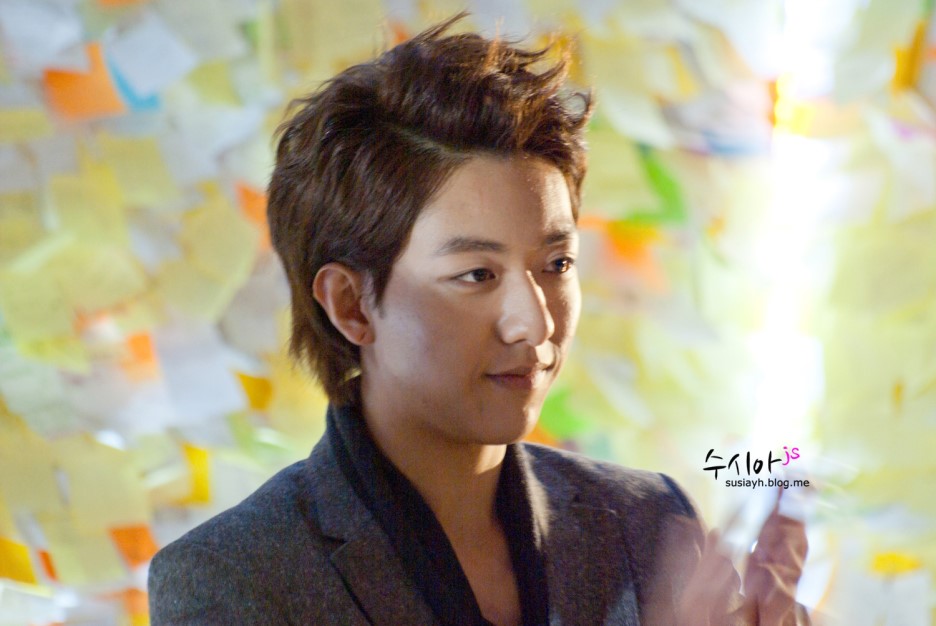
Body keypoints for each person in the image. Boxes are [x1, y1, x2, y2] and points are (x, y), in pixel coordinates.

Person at [148, 14, 809, 625]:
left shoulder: (649, 522)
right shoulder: (232, 577)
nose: (535, 325)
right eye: (476, 276)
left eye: (557, 263)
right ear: (351, 304)